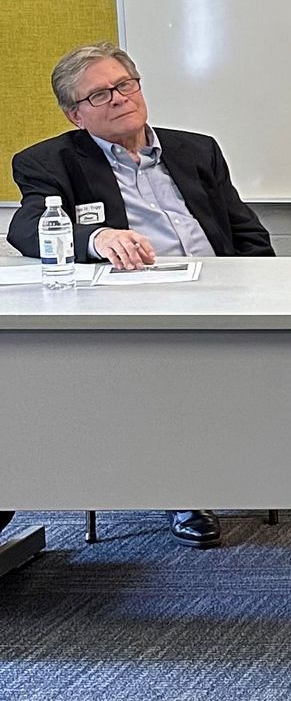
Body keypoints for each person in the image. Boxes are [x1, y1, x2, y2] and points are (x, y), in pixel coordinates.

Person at [7, 42, 274, 548]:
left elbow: (247, 234)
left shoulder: (197, 149)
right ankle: (182, 489)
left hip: (222, 297)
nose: (118, 99)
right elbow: (27, 227)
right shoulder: (50, 161)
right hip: (134, 307)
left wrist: (269, 294)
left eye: (124, 85)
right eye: (99, 94)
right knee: (168, 370)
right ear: (74, 113)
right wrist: (95, 238)